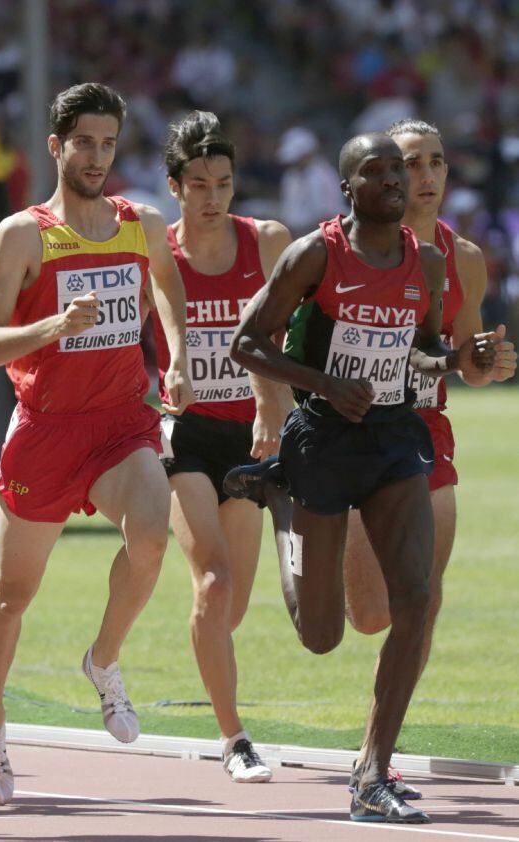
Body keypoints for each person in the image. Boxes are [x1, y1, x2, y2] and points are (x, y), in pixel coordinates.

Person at [225, 133, 496, 823]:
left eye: (397, 170)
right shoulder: (316, 255)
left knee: (416, 598)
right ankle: (281, 501)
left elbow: (424, 350)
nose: (394, 180)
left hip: (394, 441)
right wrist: (322, 383)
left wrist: (463, 361)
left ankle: (373, 773)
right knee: (322, 635)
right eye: (375, 172)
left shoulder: (428, 263)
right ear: (346, 188)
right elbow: (247, 343)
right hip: (322, 441)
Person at [0, 82, 193, 805]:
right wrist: (52, 329)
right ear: (56, 146)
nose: (97, 156)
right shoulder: (23, 233)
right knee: (12, 596)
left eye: (108, 143)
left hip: (121, 423)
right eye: (84, 143)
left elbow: (165, 284)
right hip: (45, 430)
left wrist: (179, 355)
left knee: (154, 538)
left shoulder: (142, 223)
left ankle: (103, 662)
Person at [342, 119, 517, 797]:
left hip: (422, 432)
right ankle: (298, 520)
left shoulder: (463, 255)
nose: (427, 176)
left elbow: (464, 356)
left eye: (437, 161)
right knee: (366, 614)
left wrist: (488, 362)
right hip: (351, 434)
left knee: (421, 596)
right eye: (412, 163)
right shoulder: (345, 245)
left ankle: (372, 757)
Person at [150, 111, 291, 782]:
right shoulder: (155, 252)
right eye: (199, 184)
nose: (213, 198)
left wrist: (275, 411)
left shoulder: (266, 242)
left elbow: (283, 347)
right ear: (174, 186)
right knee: (213, 580)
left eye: (224, 183)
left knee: (230, 606)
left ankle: (213, 669)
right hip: (185, 434)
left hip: (251, 434)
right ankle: (235, 739)